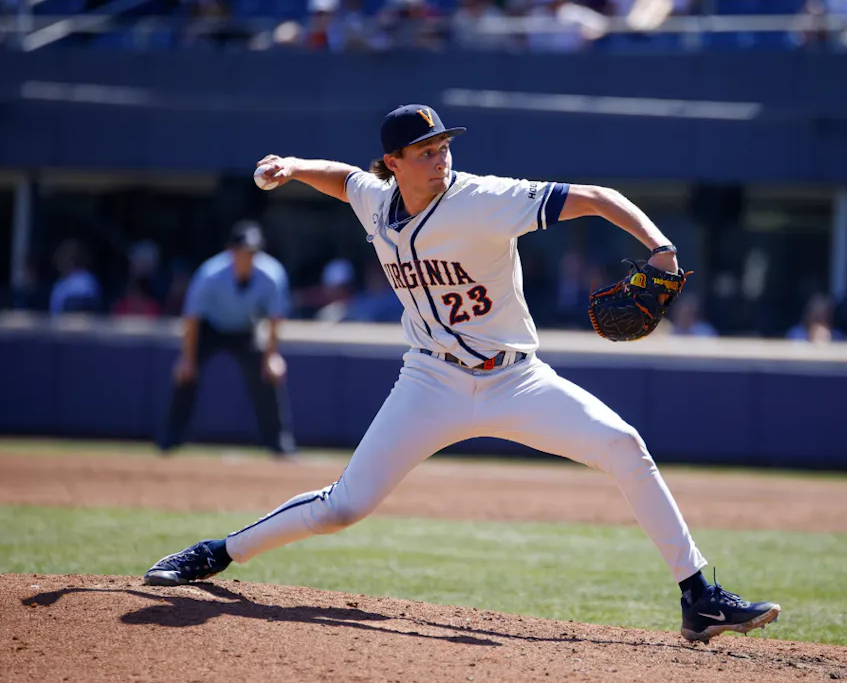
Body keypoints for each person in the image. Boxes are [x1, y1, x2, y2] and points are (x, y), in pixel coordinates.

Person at [143, 105, 780, 644]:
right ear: (393, 162)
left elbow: (595, 197)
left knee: (624, 446)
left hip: (516, 380)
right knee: (344, 507)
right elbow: (345, 181)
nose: (438, 156)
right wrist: (292, 166)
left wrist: (660, 247)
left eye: (442, 144)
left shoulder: (484, 199)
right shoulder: (377, 199)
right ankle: (216, 553)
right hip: (430, 384)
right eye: (423, 150)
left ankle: (699, 596)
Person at [157, 221, 296, 456]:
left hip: (245, 328)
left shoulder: (271, 275)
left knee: (267, 377)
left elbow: (274, 319)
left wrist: (272, 357)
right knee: (186, 376)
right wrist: (187, 359)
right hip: (210, 328)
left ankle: (279, 443)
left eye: (253, 252)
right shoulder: (210, 274)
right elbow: (191, 319)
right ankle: (170, 440)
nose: (248, 257)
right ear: (231, 250)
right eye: (243, 251)